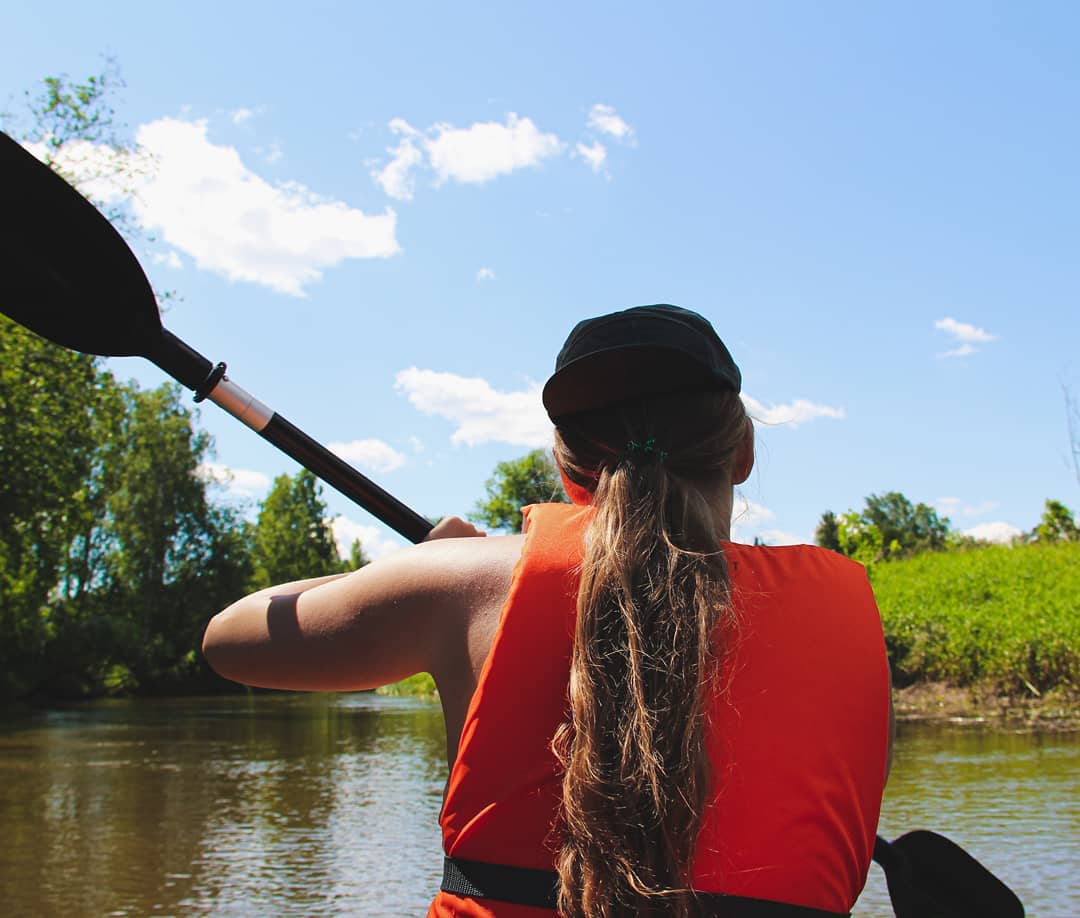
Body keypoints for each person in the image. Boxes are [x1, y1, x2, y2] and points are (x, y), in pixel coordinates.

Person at [203, 304, 892, 918]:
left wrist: (408, 571)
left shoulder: (463, 585)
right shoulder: (852, 623)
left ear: (567, 470)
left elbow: (230, 636)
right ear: (740, 453)